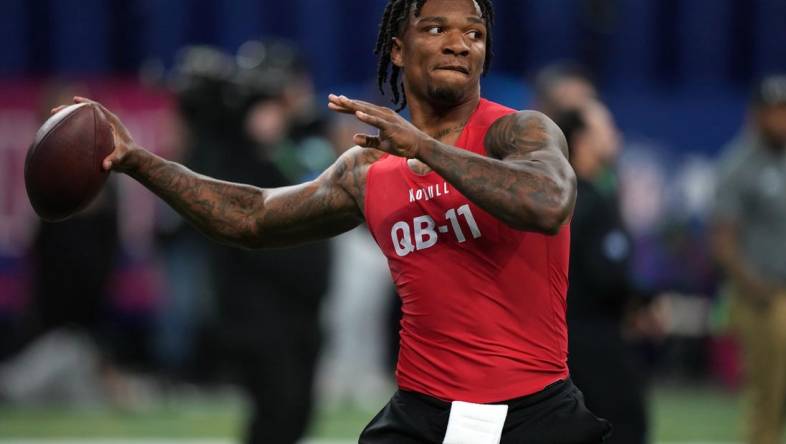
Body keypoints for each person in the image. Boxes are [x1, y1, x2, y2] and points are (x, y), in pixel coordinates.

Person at [53, 0, 611, 442]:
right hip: (422, 412)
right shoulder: (368, 168)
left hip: (532, 411)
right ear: (397, 49)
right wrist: (138, 161)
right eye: (437, 28)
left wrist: (423, 146)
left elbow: (548, 201)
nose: (460, 42)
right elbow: (252, 216)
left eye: (475, 32)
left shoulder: (518, 132)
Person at [555, 101, 649, 444]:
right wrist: (642, 304)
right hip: (594, 339)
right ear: (582, 141)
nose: (616, 136)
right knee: (623, 426)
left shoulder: (554, 197)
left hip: (557, 341)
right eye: (606, 129)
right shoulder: (592, 201)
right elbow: (606, 277)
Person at [711, 74, 786, 444]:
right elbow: (723, 241)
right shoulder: (739, 165)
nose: (782, 120)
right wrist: (756, 288)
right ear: (757, 115)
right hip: (765, 297)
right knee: (769, 395)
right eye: (775, 111)